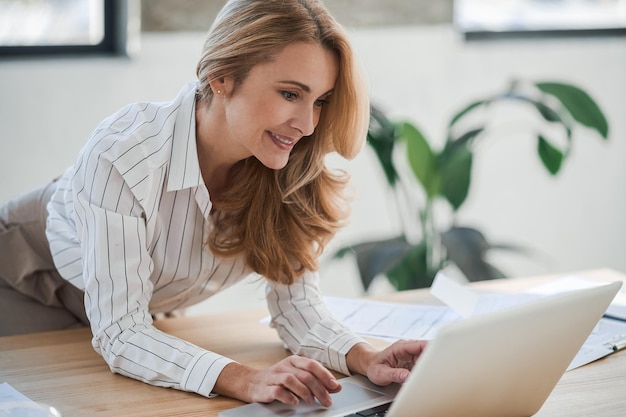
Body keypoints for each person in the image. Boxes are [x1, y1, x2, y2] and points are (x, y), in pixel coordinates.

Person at [0, 0, 427, 407]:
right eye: (290, 95)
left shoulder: (285, 166)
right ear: (222, 77)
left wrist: (366, 358)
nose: (307, 124)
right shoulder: (126, 153)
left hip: (132, 310)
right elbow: (121, 334)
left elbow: (298, 308)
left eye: (320, 101)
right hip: (26, 278)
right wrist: (248, 378)